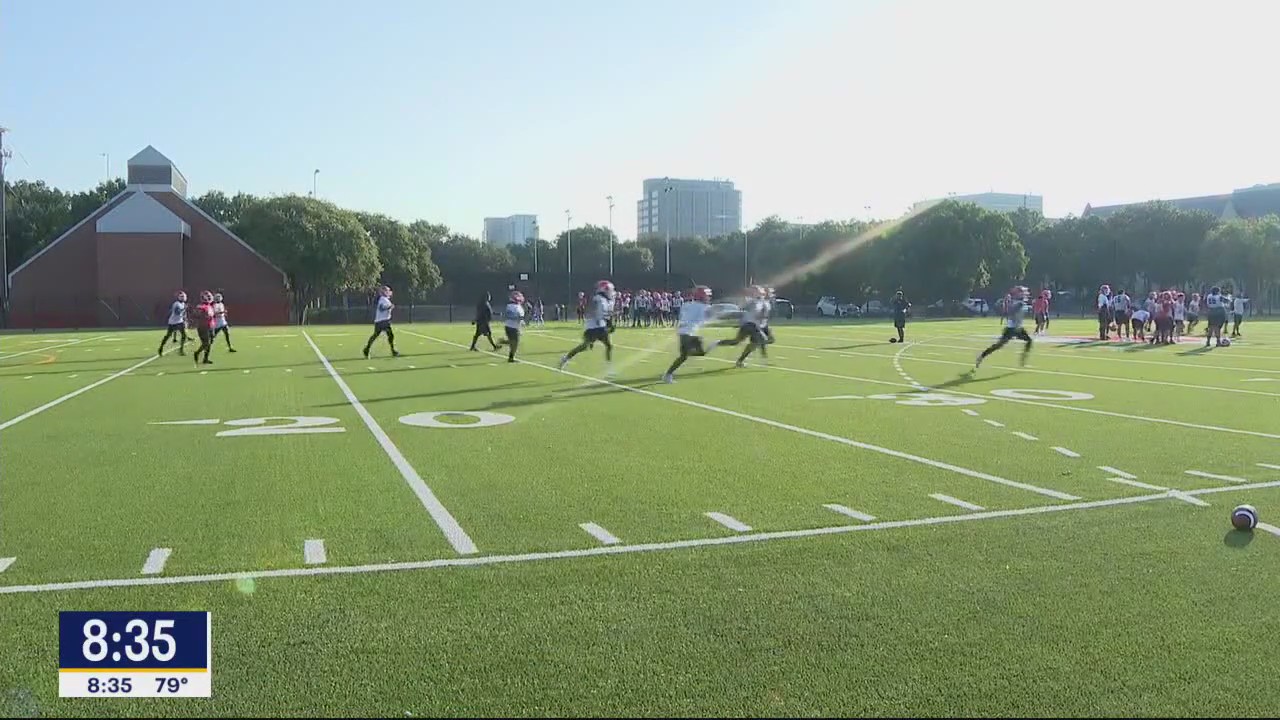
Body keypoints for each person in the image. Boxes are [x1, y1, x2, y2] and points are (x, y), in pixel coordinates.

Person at [559, 280, 617, 375]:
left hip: (597, 326)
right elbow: (598, 314)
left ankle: (565, 358)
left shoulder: (605, 300)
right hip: (594, 327)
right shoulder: (599, 299)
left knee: (601, 346)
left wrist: (609, 322)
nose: (610, 292)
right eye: (608, 290)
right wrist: (608, 324)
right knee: (592, 346)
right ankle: (609, 369)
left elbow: (606, 314)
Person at [663, 286, 714, 383]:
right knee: (693, 354)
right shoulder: (704, 307)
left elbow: (684, 316)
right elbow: (704, 320)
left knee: (685, 356)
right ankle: (668, 375)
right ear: (702, 296)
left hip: (683, 332)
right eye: (707, 296)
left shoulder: (686, 305)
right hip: (689, 333)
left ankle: (668, 375)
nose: (708, 298)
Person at [976, 286, 1033, 368]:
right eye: (1022, 292)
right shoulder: (1019, 303)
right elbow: (1011, 312)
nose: (1025, 294)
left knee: (1029, 341)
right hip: (1012, 329)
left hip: (1018, 328)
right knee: (999, 345)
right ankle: (981, 356)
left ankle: (1023, 360)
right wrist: (1009, 306)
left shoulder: (1019, 302)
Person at [715, 286, 771, 368]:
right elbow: (743, 309)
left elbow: (763, 314)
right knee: (761, 340)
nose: (761, 293)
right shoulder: (751, 301)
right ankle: (763, 359)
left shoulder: (764, 302)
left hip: (758, 325)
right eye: (758, 292)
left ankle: (741, 361)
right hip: (749, 325)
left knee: (746, 342)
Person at [363, 285, 401, 359]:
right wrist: (389, 307)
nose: (389, 292)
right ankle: (393, 350)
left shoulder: (385, 299)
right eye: (387, 290)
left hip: (380, 320)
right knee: (390, 335)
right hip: (383, 321)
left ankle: (367, 349)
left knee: (376, 335)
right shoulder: (383, 299)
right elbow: (381, 308)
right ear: (383, 292)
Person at [494, 290, 526, 362]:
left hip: (511, 326)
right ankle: (511, 357)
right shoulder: (513, 306)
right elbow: (512, 316)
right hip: (512, 326)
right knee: (515, 343)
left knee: (513, 342)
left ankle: (503, 343)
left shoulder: (515, 306)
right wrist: (519, 319)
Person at [159, 290, 190, 356]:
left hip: (180, 322)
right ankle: (161, 348)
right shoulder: (177, 304)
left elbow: (182, 314)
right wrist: (184, 309)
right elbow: (177, 313)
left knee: (183, 335)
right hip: (173, 322)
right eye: (181, 296)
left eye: (184, 296)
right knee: (168, 336)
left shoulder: (183, 304)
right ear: (178, 297)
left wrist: (185, 318)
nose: (183, 298)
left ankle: (181, 350)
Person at [190, 291, 217, 366]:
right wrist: (202, 315)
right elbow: (196, 315)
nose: (209, 298)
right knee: (206, 343)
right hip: (203, 327)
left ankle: (205, 358)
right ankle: (197, 353)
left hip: (211, 326)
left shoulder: (210, 306)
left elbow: (212, 316)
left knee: (210, 343)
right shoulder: (201, 306)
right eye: (207, 296)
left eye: (209, 296)